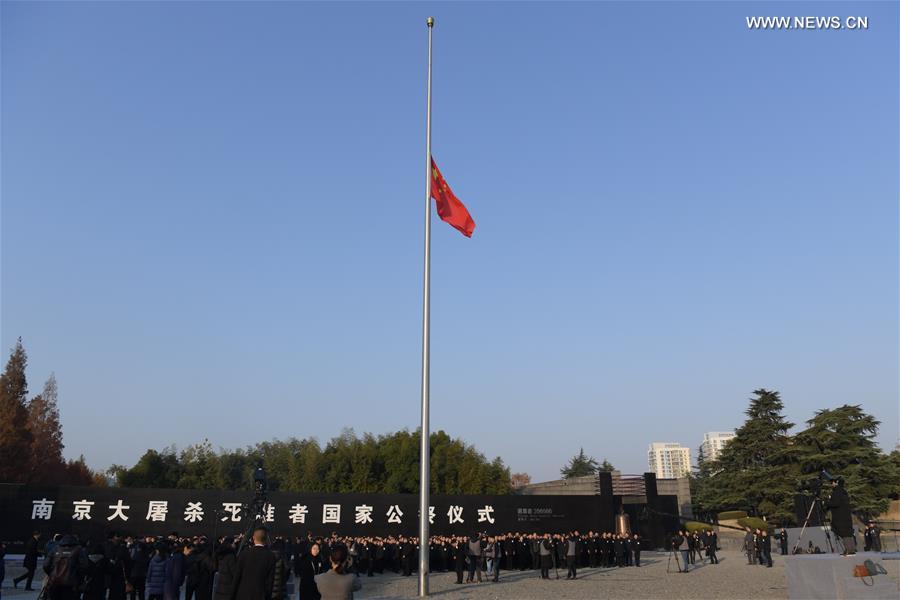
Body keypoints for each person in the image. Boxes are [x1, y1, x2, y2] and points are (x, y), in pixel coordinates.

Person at [230, 527, 275, 600]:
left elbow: (237, 577)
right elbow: (270, 582)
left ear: (253, 538)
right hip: (260, 595)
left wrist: (232, 596)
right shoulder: (270, 556)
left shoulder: (244, 554)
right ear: (266, 539)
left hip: (242, 595)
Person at [43, 534, 88, 600]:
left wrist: (52, 574)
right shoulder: (79, 549)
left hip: (55, 582)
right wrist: (78, 576)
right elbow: (84, 566)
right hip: (71, 583)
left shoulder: (55, 548)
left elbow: (46, 565)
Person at [825, 476, 855, 554]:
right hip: (846, 516)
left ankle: (848, 550)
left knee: (844, 533)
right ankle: (851, 549)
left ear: (837, 483)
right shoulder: (844, 492)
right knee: (848, 533)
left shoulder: (836, 492)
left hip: (840, 517)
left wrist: (826, 502)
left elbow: (836, 503)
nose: (832, 484)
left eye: (833, 482)